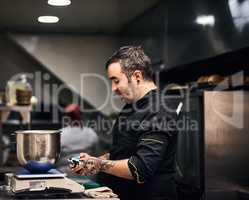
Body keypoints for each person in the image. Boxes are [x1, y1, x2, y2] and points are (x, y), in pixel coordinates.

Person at [70, 46, 179, 200]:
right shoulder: (131, 107)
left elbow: (140, 168)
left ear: (137, 76)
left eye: (116, 81)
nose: (113, 88)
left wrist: (99, 164)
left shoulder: (159, 111)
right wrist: (91, 163)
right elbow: (123, 151)